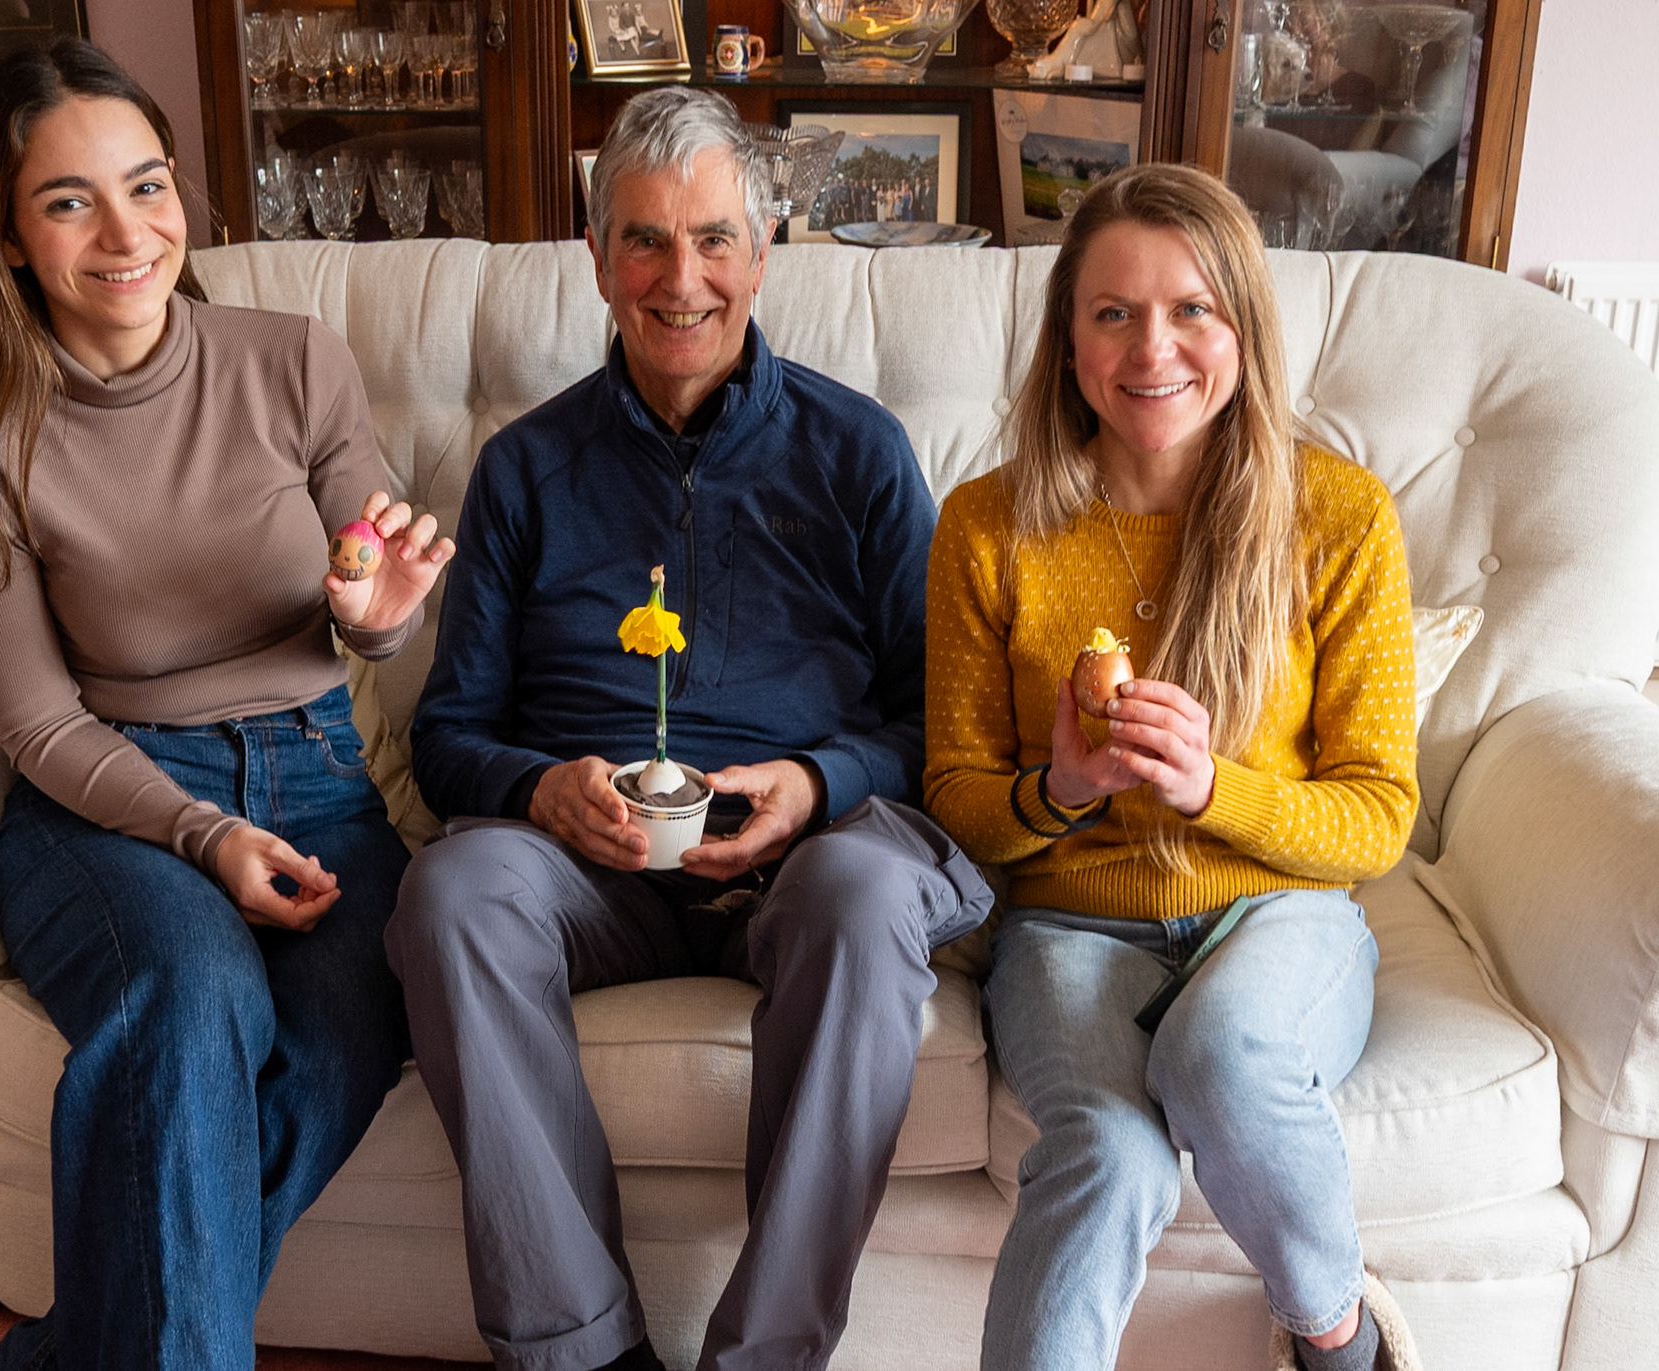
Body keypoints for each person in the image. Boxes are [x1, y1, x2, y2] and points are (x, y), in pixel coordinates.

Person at [384, 87, 992, 1371]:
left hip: (801, 855)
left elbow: (938, 722)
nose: (683, 278)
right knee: (451, 895)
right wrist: (543, 788)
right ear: (598, 258)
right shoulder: (525, 470)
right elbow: (448, 737)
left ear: (763, 253)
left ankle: (764, 1359)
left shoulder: (860, 453)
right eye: (647, 241)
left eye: (715, 239)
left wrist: (817, 785)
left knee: (871, 898)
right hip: (586, 867)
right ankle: (583, 1350)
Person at [0, 39, 452, 1371]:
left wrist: (378, 616)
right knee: (197, 1000)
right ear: (11, 237)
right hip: (110, 806)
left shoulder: (293, 361)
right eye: (69, 201)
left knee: (331, 1043)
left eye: (147, 185)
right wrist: (203, 834)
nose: (127, 231)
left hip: (321, 779)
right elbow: (36, 723)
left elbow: (371, 578)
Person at [923, 163, 1423, 1371]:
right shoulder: (987, 526)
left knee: (1219, 1054)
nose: (1154, 348)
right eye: (1114, 313)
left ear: (1243, 329)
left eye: (1193, 309)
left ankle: (1339, 1338)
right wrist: (1063, 793)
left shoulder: (1339, 518)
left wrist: (1215, 791)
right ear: (1069, 339)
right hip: (1067, 931)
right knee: (1108, 1147)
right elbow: (953, 795)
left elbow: (1378, 817)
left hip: (1279, 915)